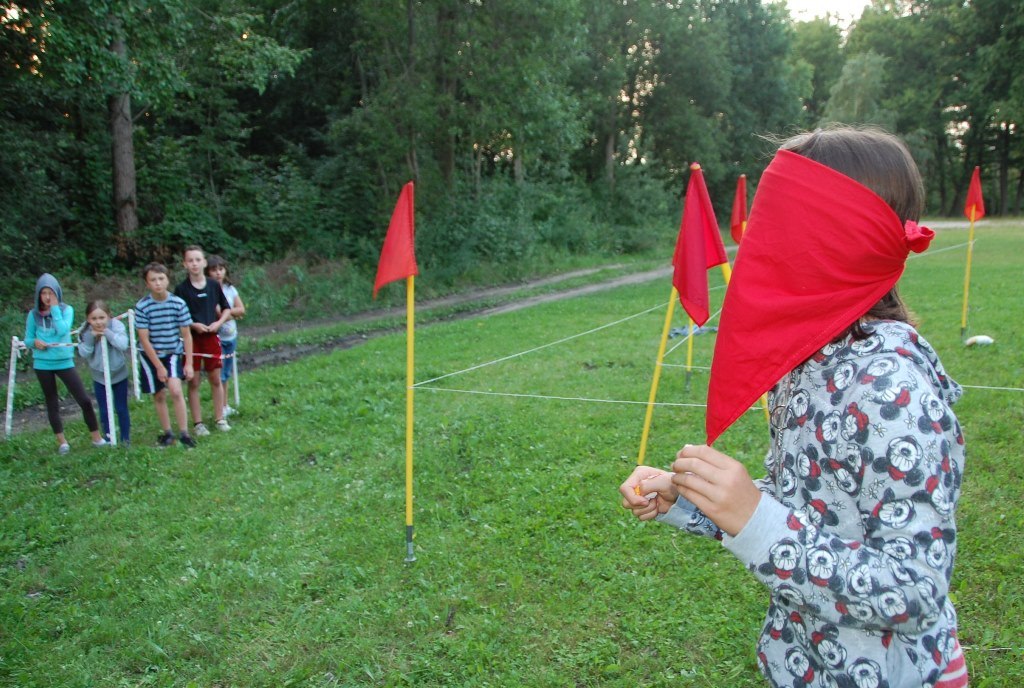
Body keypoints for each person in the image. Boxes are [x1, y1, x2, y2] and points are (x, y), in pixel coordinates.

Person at [619, 128, 968, 688]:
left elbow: (915, 590)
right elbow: (813, 505)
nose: (761, 247)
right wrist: (692, 498)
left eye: (781, 227)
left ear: (841, 240)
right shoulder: (810, 358)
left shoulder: (891, 391)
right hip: (807, 665)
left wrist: (756, 519)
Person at [24, 274, 107, 454]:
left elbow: (63, 331)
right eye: (44, 293)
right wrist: (35, 342)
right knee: (52, 402)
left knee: (84, 400)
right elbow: (27, 339)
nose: (47, 297)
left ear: (57, 293)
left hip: (64, 361)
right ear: (38, 294)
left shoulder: (66, 310)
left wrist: (54, 309)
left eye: (51, 293)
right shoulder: (33, 315)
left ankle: (96, 438)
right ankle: (62, 442)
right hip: (43, 364)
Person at [136, 262, 196, 449]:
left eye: (161, 278)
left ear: (167, 280)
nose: (158, 283)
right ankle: (168, 433)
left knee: (176, 390)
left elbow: (186, 335)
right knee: (159, 394)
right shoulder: (142, 306)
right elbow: (144, 339)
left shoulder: (178, 303)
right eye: (153, 280)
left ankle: (185, 433)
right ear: (147, 283)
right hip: (150, 355)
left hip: (172, 352)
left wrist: (189, 363)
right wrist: (158, 366)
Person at [174, 245, 232, 435]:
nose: (194, 264)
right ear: (185, 264)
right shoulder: (181, 289)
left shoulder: (214, 285)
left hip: (212, 337)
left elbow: (226, 308)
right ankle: (198, 423)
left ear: (204, 262)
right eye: (190, 260)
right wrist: (193, 325)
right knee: (194, 381)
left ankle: (220, 418)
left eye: (198, 260)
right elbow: (177, 316)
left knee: (215, 378)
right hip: (191, 340)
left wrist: (218, 323)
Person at [77, 300, 132, 446]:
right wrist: (91, 338)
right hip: (99, 377)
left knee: (121, 408)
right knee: (104, 410)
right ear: (88, 319)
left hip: (119, 374)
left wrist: (107, 333)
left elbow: (123, 344)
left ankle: (125, 439)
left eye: (102, 318)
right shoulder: (84, 330)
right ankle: (108, 437)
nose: (98, 322)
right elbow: (83, 353)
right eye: (94, 319)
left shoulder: (116, 325)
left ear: (109, 316)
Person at [206, 254, 245, 417]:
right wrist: (230, 314)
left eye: (221, 269)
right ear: (208, 272)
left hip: (231, 337)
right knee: (219, 375)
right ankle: (219, 408)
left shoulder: (230, 289)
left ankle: (225, 404)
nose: (218, 273)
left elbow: (241, 309)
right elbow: (217, 313)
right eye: (214, 270)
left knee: (226, 374)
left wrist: (227, 313)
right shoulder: (209, 291)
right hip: (217, 338)